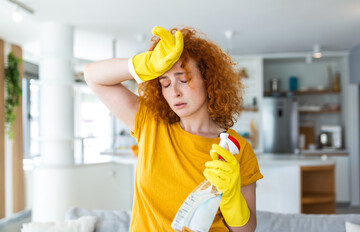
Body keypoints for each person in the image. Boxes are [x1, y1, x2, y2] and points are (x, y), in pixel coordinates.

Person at [84, 26, 263, 232]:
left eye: (183, 80)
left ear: (209, 79)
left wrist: (232, 197)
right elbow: (92, 76)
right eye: (165, 84)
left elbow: (246, 230)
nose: (174, 92)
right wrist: (145, 64)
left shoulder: (237, 148)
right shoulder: (150, 123)